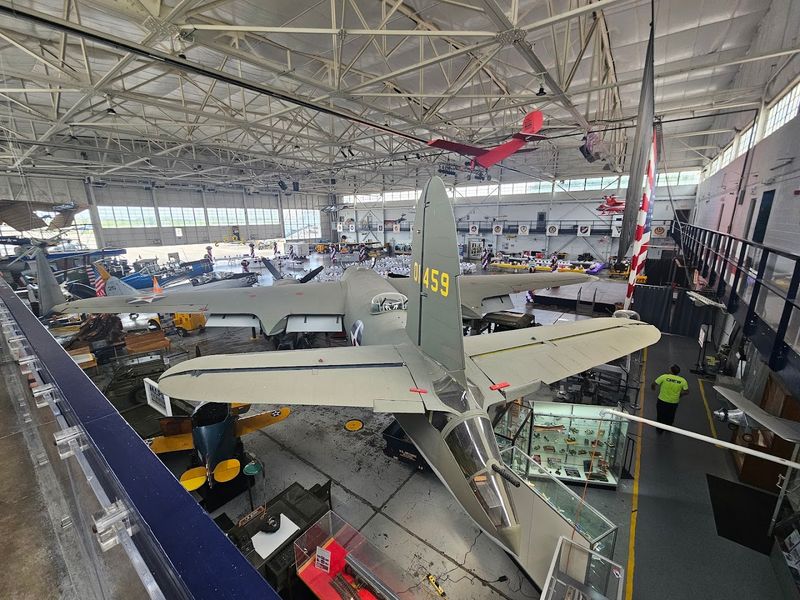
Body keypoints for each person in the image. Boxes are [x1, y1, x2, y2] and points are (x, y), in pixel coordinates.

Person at [651, 364, 689, 432]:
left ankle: (659, 429)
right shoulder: (683, 380)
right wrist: (680, 395)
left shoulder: (664, 377)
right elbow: (686, 391)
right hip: (674, 402)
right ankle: (669, 428)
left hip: (662, 400)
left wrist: (653, 388)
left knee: (660, 414)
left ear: (671, 371)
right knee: (671, 415)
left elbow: (654, 384)